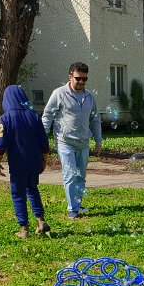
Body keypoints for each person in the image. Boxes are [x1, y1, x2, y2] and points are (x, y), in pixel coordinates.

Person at [41, 62, 103, 219]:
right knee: (70, 174)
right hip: (65, 141)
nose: (81, 82)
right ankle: (72, 209)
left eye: (84, 79)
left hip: (83, 143)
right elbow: (47, 115)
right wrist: (42, 137)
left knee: (81, 176)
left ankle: (78, 204)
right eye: (78, 78)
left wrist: (98, 140)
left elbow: (95, 119)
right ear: (70, 77)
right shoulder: (59, 93)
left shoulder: (89, 96)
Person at [0, 85, 51, 238]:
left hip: (18, 164)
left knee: (18, 194)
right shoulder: (34, 116)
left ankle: (23, 228)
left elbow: (0, 144)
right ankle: (41, 220)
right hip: (34, 163)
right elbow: (44, 142)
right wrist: (43, 161)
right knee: (32, 189)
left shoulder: (6, 118)